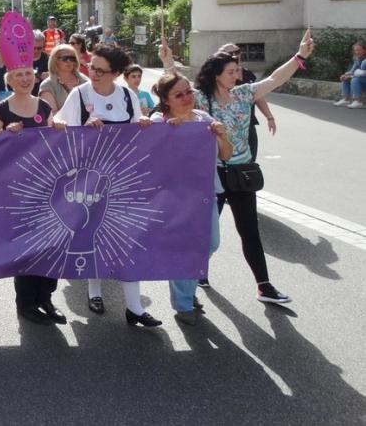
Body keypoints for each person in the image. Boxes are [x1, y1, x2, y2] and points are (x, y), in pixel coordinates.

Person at [175, 30, 315, 303]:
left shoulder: (243, 94)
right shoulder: (201, 99)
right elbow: (175, 90)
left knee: (249, 231)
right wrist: (168, 62)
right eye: (231, 71)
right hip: (211, 175)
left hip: (241, 174)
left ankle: (264, 286)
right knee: (205, 231)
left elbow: (275, 79)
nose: (237, 75)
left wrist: (299, 56)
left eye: (237, 70)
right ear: (216, 74)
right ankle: (197, 274)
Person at [53, 44, 160, 327]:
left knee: (127, 240)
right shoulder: (80, 94)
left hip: (123, 178)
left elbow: (138, 127)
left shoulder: (127, 95)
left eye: (100, 71)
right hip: (90, 179)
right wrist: (84, 127)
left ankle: (135, 308)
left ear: (115, 73)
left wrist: (145, 123)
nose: (93, 74)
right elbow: (59, 123)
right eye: (92, 68)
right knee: (93, 234)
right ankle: (94, 291)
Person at [0, 54, 63, 326]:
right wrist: (5, 132)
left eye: (28, 73)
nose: (24, 78)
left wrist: (58, 125)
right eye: (18, 74)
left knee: (53, 246)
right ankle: (26, 303)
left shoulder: (44, 105)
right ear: (9, 79)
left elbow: (57, 130)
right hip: (18, 192)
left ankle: (46, 297)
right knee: (27, 248)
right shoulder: (2, 109)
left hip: (48, 189)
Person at [150, 72, 232, 325]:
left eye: (189, 92)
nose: (186, 98)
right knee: (184, 247)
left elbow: (227, 155)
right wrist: (165, 132)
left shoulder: (204, 120)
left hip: (204, 196)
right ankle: (184, 302)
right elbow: (149, 157)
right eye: (179, 94)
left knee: (210, 244)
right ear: (166, 100)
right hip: (174, 198)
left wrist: (220, 135)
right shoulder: (158, 121)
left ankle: (187, 288)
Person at [219, 43, 276, 161]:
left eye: (237, 52)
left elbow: (258, 97)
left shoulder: (247, 73)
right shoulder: (218, 77)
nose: (235, 56)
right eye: (231, 53)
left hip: (248, 125)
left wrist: (269, 117)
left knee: (250, 161)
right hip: (226, 127)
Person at [39, 44, 88, 112]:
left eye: (72, 58)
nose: (69, 61)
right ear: (55, 60)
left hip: (89, 122)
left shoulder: (85, 80)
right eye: (65, 59)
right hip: (65, 122)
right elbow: (52, 114)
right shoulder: (48, 85)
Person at [334, 41, 366, 109]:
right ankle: (346, 99)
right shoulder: (357, 59)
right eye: (356, 50)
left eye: (359, 50)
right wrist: (345, 75)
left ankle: (358, 101)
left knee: (355, 79)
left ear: (364, 50)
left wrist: (351, 76)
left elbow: (362, 74)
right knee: (346, 79)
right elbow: (352, 71)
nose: (357, 52)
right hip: (361, 80)